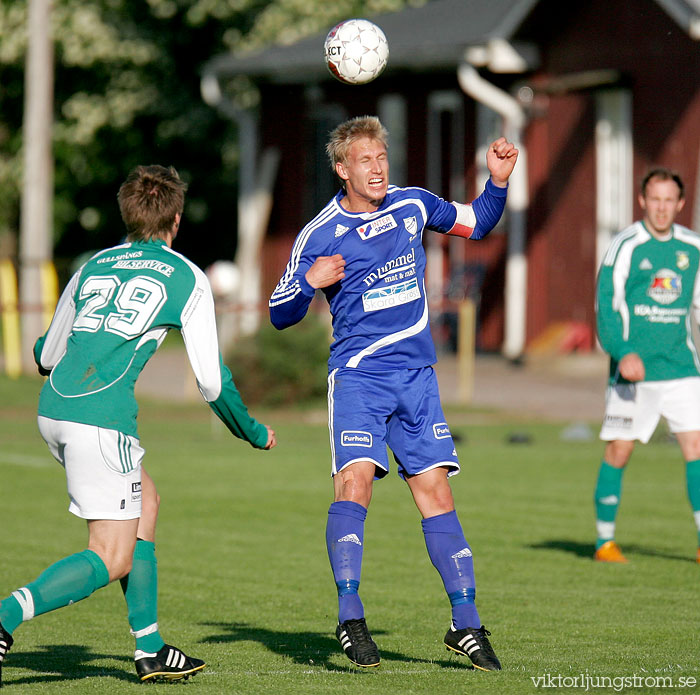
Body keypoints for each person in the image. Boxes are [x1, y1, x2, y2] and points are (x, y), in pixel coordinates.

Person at [0, 165, 276, 686]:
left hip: (53, 409)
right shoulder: (186, 275)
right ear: (175, 218)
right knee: (112, 555)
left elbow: (46, 354)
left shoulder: (93, 265)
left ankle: (149, 648)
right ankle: (5, 617)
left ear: (127, 214)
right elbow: (212, 383)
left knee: (145, 502)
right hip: (100, 422)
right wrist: (252, 431)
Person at [269, 116, 517, 670]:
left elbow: (476, 224)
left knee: (436, 495)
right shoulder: (320, 233)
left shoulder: (411, 205)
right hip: (358, 377)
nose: (378, 169)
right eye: (365, 160)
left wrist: (497, 182)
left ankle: (466, 624)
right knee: (355, 484)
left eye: (382, 158)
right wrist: (310, 283)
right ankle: (351, 617)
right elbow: (278, 312)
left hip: (417, 379)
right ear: (342, 169)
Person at [594, 167, 700, 563]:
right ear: (642, 201)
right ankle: (605, 542)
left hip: (681, 368)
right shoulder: (626, 245)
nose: (661, 208)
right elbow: (606, 306)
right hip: (633, 372)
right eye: (654, 200)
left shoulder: (692, 247)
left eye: (669, 200)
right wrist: (624, 352)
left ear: (680, 204)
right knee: (619, 451)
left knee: (696, 446)